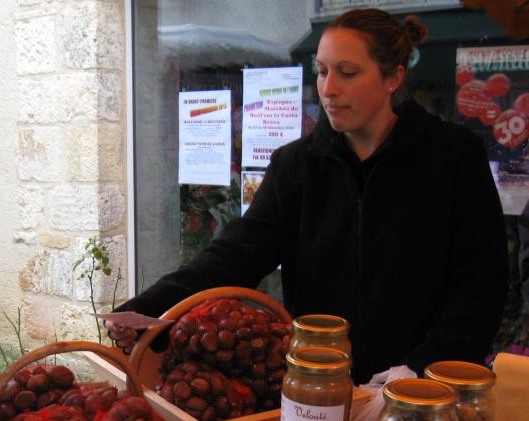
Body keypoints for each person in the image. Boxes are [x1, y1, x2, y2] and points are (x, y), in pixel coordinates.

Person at [112, 8, 508, 384]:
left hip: (423, 398)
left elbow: (481, 281)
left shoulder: (452, 156)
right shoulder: (296, 166)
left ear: (393, 78)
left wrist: (424, 368)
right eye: (321, 72)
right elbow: (235, 254)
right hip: (319, 388)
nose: (329, 89)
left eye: (348, 73)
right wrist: (148, 309)